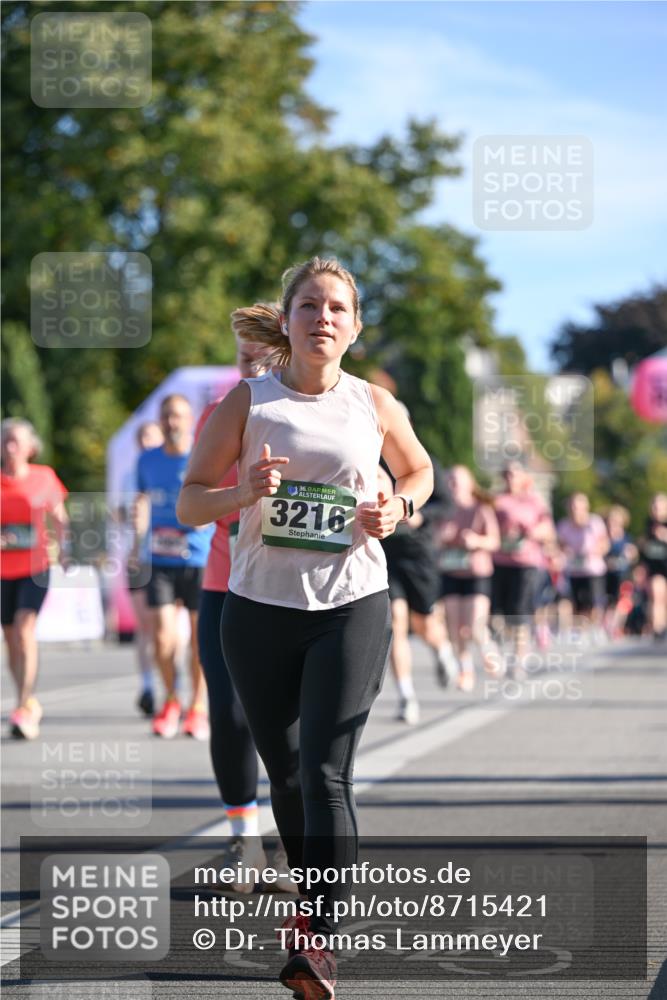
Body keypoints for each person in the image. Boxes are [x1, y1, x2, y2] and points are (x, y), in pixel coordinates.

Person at [177, 256, 433, 1000]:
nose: (322, 317)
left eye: (337, 308)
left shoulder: (373, 404)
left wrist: (399, 508)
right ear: (285, 322)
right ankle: (309, 904)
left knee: (325, 772)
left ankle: (318, 940)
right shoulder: (246, 402)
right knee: (285, 772)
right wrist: (241, 490)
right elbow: (192, 504)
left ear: (353, 328)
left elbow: (419, 471)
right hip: (257, 610)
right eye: (309, 305)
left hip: (351, 603)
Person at [195, 336, 295, 887]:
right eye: (242, 356)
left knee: (284, 719)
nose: (252, 364)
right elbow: (199, 491)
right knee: (230, 713)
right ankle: (243, 839)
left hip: (290, 587)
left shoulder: (308, 409)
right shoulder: (218, 411)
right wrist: (240, 500)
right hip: (223, 581)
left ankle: (284, 845)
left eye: (264, 356)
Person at [133, 395, 214, 739]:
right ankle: (170, 701)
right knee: (163, 637)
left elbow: (216, 496)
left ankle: (197, 707)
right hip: (160, 559)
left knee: (199, 640)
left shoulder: (201, 455)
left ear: (189, 419)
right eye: (166, 416)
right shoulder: (147, 461)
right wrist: (137, 545)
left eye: (178, 416)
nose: (171, 422)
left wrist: (202, 515)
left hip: (197, 558)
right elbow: (141, 501)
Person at [1, 418, 68, 739]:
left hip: (35, 566)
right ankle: (24, 699)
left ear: (30, 447)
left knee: (25, 627)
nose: (10, 447)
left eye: (15, 441)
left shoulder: (44, 478)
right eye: (5, 441)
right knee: (10, 636)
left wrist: (66, 549)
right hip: (3, 571)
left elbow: (60, 518)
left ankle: (24, 705)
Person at [379, 454, 456, 725]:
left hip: (418, 553)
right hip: (385, 554)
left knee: (423, 624)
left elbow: (447, 504)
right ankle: (406, 696)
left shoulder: (424, 460)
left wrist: (420, 515)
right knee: (395, 623)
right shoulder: (368, 453)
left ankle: (442, 648)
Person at [437, 466, 500, 691]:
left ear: (469, 484)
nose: (452, 486)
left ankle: (488, 649)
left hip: (476, 573)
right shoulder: (444, 511)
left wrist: (476, 541)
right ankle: (466, 670)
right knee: (455, 628)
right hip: (451, 572)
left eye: (456, 481)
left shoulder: (481, 509)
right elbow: (433, 540)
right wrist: (442, 537)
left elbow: (494, 541)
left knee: (474, 626)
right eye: (449, 481)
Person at [492, 462, 554, 671]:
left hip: (526, 563)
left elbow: (548, 530)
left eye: (515, 473)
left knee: (519, 611)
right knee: (499, 614)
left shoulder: (534, 501)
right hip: (500, 561)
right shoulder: (497, 501)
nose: (511, 477)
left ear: (523, 476)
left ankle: (518, 659)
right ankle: (506, 647)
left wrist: (530, 533)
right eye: (508, 473)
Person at [124, 420, 164, 716]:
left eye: (151, 436)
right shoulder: (132, 475)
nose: (146, 442)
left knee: (167, 629)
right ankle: (148, 686)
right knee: (145, 628)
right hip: (139, 559)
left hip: (172, 560)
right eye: (141, 438)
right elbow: (118, 512)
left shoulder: (175, 468)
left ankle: (172, 688)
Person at [557, 493, 609, 637]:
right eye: (573, 506)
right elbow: (560, 545)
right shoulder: (564, 525)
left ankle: (594, 628)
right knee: (575, 603)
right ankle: (580, 630)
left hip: (592, 569)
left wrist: (593, 552)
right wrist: (565, 551)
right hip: (573, 569)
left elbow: (604, 544)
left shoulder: (594, 522)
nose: (576, 510)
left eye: (579, 506)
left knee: (593, 602)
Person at [603, 505, 637, 639]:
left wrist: (632, 554)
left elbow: (633, 554)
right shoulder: (604, 538)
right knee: (609, 602)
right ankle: (607, 626)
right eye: (611, 520)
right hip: (607, 575)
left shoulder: (626, 538)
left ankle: (615, 626)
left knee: (624, 601)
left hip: (623, 575)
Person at [640, 492, 667, 640]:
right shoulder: (648, 524)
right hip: (655, 569)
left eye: (661, 506)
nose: (657, 510)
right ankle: (658, 628)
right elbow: (644, 549)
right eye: (655, 506)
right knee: (657, 595)